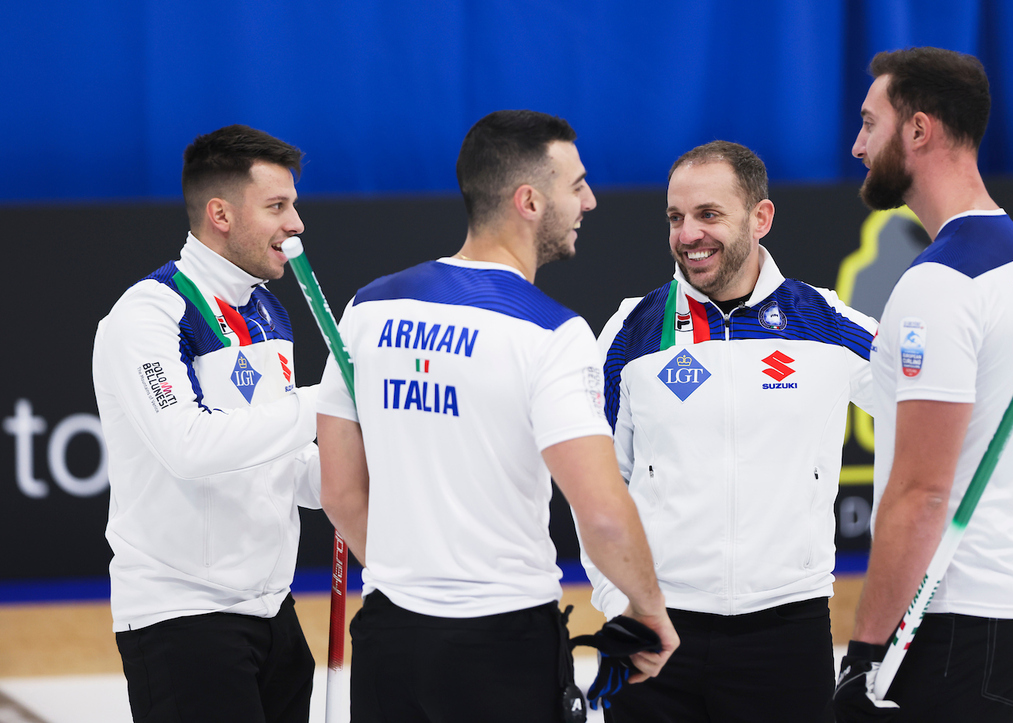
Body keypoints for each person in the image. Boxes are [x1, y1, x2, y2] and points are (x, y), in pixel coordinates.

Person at [316, 109, 678, 722]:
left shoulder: (367, 307)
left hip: (390, 640)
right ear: (529, 200)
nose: (589, 200)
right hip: (502, 650)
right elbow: (602, 512)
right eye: (576, 184)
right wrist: (649, 613)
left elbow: (339, 491)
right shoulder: (552, 333)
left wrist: (417, 578)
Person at [583, 140, 877, 722]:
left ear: (760, 218)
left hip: (788, 633)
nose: (687, 234)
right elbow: (594, 482)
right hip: (653, 628)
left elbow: (931, 408)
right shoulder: (632, 329)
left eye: (709, 214)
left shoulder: (824, 322)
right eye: (675, 217)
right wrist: (621, 601)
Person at [834, 47, 1013, 722]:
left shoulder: (940, 284)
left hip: (960, 619)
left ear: (918, 130)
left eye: (869, 123)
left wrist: (863, 655)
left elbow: (921, 492)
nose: (856, 145)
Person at [92, 124, 321, 723]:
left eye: (292, 205)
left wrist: (366, 460)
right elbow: (188, 446)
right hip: (183, 620)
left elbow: (284, 465)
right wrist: (328, 405)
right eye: (277, 207)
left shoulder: (268, 311)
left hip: (273, 613)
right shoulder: (149, 315)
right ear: (220, 213)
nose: (296, 224)